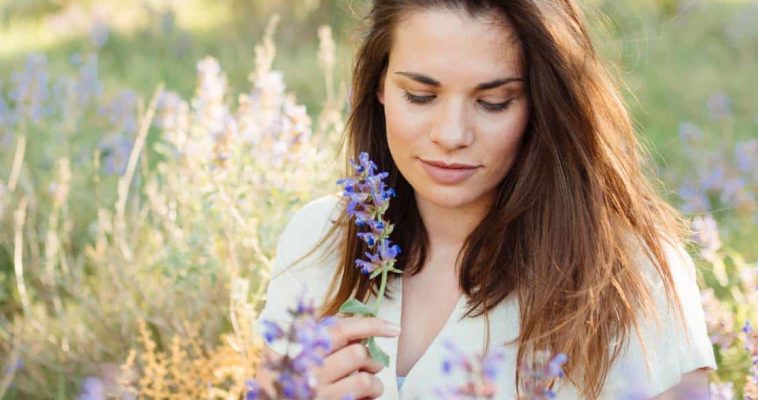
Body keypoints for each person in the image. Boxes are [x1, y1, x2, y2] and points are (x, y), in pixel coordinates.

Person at [253, 0, 717, 399]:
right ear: (378, 87)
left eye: (493, 102)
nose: (452, 135)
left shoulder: (631, 274)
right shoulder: (318, 239)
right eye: (419, 95)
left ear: (543, 100)